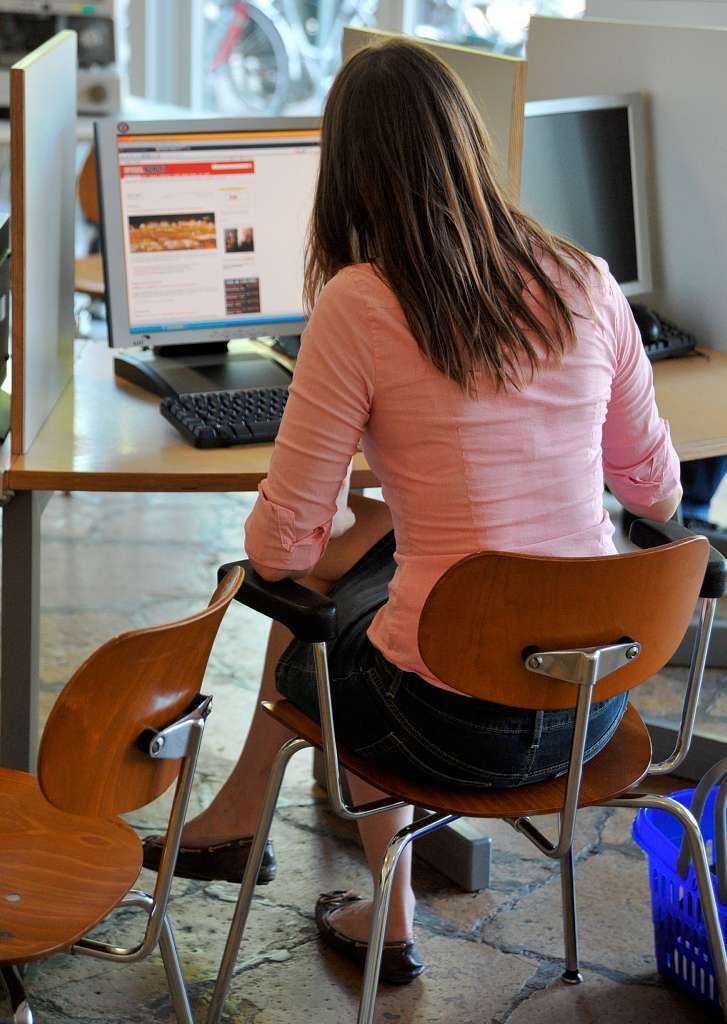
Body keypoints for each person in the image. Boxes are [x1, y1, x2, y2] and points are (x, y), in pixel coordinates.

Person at [143, 39, 682, 982]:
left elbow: (276, 549)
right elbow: (655, 495)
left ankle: (370, 904)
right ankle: (251, 831)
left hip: (447, 725)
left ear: (348, 173)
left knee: (310, 597)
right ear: (470, 148)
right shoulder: (589, 281)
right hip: (591, 706)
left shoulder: (361, 301)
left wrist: (346, 499)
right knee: (382, 574)